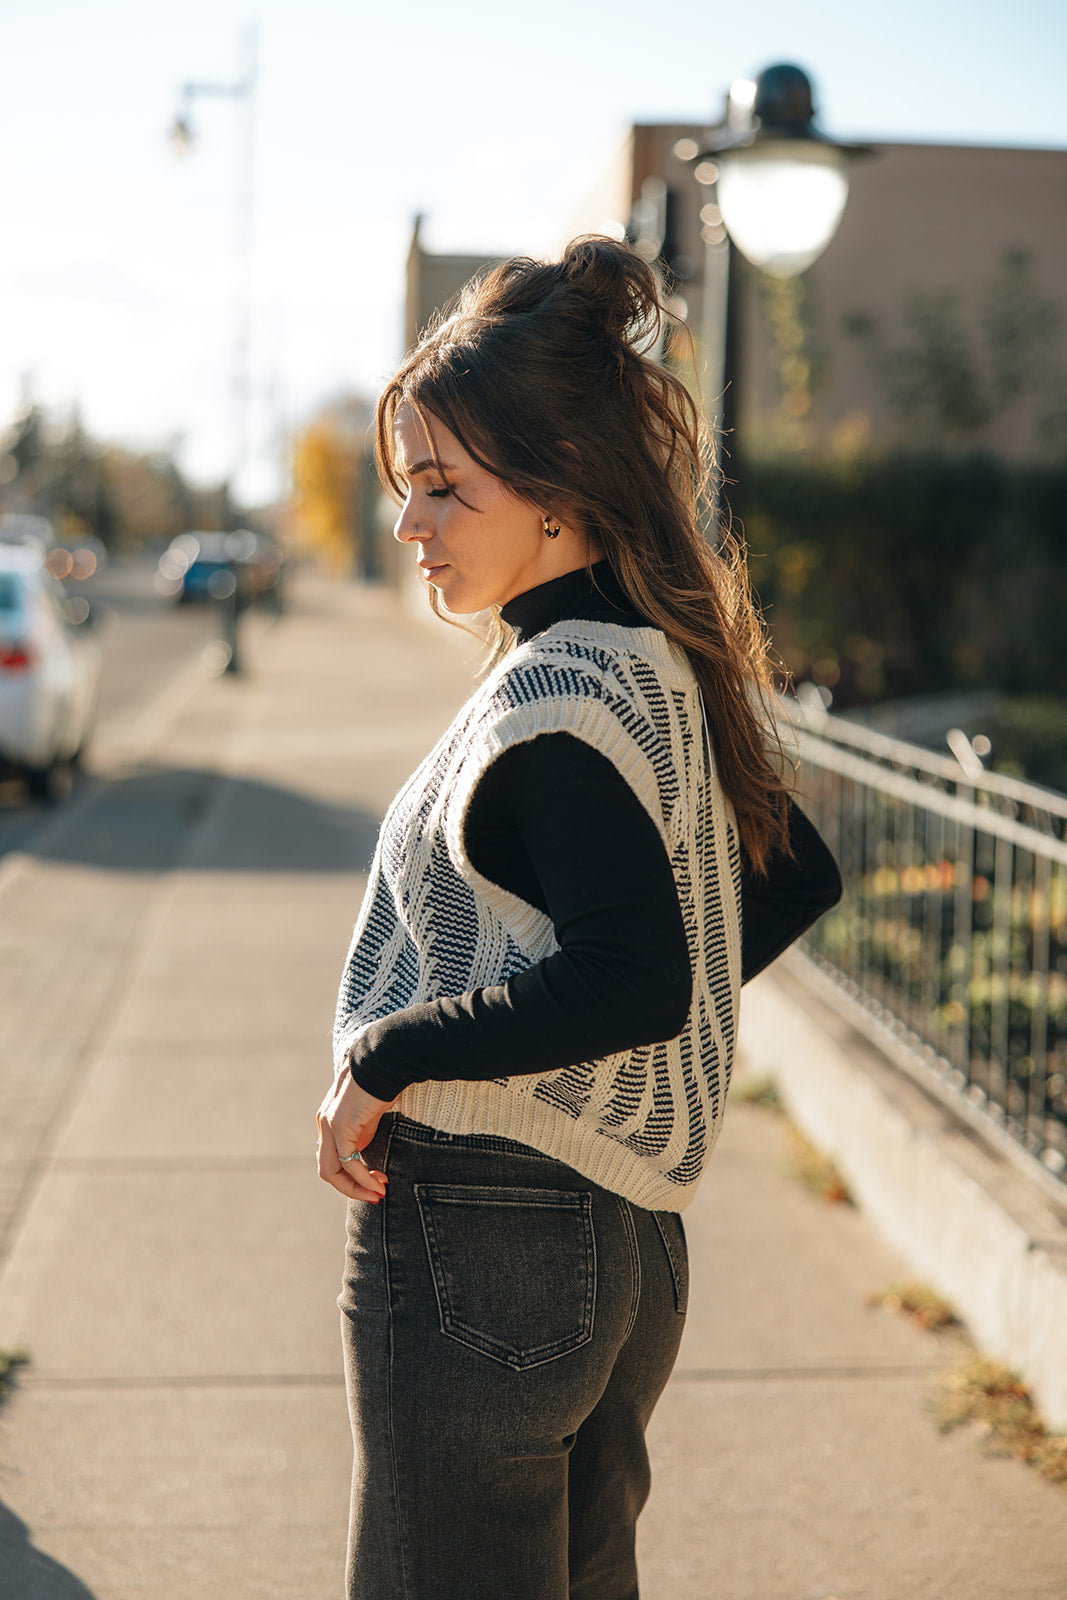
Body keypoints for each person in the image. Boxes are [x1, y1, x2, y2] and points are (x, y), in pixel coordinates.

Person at [317, 236, 841, 1600]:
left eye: (445, 487)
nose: (410, 524)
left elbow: (634, 976)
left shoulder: (553, 700)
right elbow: (787, 880)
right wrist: (594, 1058)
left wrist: (390, 1058)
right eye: (405, 486)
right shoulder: (657, 670)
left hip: (484, 1234)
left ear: (561, 493)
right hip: (626, 1251)